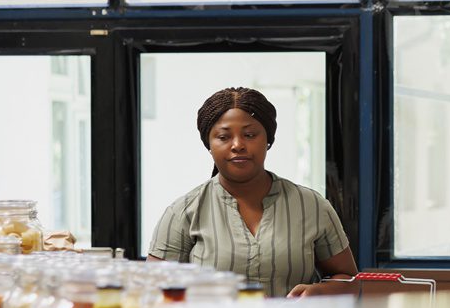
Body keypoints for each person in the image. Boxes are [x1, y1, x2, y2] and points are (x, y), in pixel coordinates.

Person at [149, 88, 357, 297]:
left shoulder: (311, 206)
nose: (238, 145)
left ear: (268, 140)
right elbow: (152, 292)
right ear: (209, 145)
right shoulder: (183, 213)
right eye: (223, 137)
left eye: (249, 135)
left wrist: (320, 291)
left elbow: (349, 280)